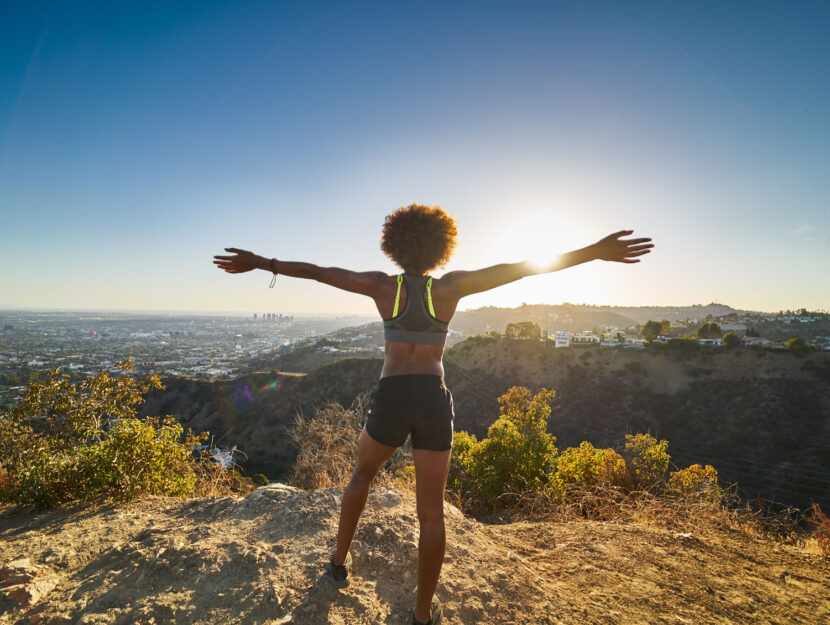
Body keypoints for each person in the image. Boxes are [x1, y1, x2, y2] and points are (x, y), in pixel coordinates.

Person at [213, 204, 653, 625]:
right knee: (431, 512)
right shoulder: (450, 287)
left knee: (361, 478)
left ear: (394, 244)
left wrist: (262, 262)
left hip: (392, 394)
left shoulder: (382, 286)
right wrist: (593, 251)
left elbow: (318, 273)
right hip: (432, 398)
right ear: (442, 245)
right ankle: (422, 614)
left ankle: (337, 564)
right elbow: (522, 268)